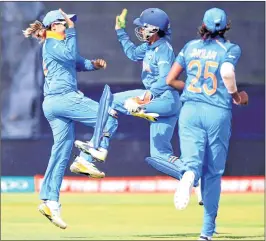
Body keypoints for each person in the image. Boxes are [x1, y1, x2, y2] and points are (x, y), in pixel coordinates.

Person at [23, 9, 119, 229]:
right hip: (64, 99)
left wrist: (92, 65)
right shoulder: (54, 43)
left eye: (69, 24)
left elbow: (75, 62)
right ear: (55, 25)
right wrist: (74, 31)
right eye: (65, 23)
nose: (68, 26)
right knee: (110, 118)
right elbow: (68, 55)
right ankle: (86, 158)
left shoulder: (57, 44)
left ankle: (49, 201)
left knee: (61, 150)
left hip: (53, 104)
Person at [166, 8, 248, 240]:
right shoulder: (230, 49)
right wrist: (235, 96)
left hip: (190, 109)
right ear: (225, 27)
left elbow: (170, 80)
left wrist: (194, 88)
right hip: (216, 111)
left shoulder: (190, 47)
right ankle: (206, 232)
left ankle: (189, 175)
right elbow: (227, 70)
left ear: (203, 25)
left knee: (192, 163)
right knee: (213, 173)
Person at [76, 8, 186, 181]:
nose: (140, 30)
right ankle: (192, 175)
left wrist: (145, 96)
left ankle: (95, 150)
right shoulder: (149, 46)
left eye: (143, 27)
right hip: (164, 103)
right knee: (159, 155)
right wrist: (120, 32)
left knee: (111, 100)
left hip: (164, 99)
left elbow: (166, 78)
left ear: (154, 29)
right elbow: (133, 53)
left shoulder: (163, 49)